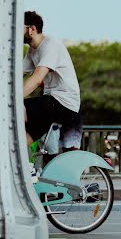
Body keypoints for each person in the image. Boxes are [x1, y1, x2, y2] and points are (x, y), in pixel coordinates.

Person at [23, 10, 82, 152]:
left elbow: (37, 78)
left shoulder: (50, 45)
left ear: (32, 29)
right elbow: (15, 73)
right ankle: (23, 168)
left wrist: (15, 100)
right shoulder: (32, 51)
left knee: (15, 107)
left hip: (64, 103)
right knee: (20, 139)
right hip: (50, 103)